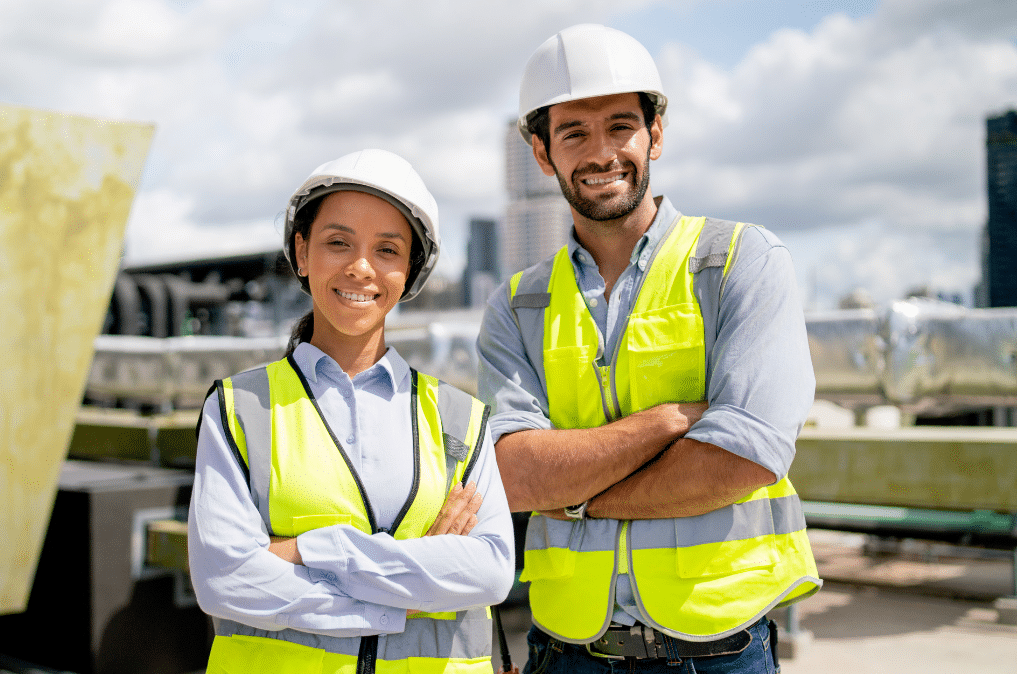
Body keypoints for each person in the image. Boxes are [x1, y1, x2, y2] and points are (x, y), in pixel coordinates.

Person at [477, 24, 821, 674]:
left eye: (620, 127)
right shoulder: (517, 306)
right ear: (542, 152)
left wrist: (576, 498)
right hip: (567, 653)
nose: (601, 151)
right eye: (574, 132)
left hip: (719, 652)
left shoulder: (738, 263)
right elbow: (517, 475)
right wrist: (663, 425)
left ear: (655, 134)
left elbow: (743, 457)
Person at [190, 148, 515, 674]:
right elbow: (226, 580)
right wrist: (414, 581)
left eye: (387, 249)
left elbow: (492, 572)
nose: (361, 268)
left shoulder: (461, 419)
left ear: (409, 271)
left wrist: (310, 551)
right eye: (338, 243)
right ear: (302, 252)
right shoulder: (239, 408)